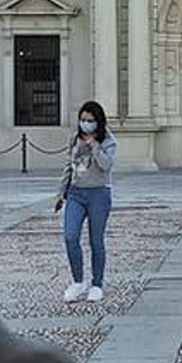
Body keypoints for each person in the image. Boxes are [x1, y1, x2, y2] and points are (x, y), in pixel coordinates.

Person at [62, 101, 117, 303]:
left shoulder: (108, 141)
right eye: (83, 120)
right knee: (70, 236)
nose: (85, 124)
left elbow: (106, 166)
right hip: (76, 193)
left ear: (98, 121)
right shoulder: (74, 139)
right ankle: (78, 281)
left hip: (98, 194)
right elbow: (68, 166)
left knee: (96, 241)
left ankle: (97, 284)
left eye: (90, 120)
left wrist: (94, 145)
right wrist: (61, 193)